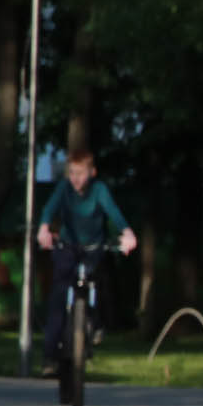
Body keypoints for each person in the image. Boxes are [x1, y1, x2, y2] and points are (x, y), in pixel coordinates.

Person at [35, 149, 137, 379]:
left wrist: (127, 233)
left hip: (93, 249)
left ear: (92, 172)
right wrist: (44, 229)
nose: (75, 178)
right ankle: (49, 358)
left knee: (100, 282)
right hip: (67, 248)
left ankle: (97, 324)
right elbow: (49, 209)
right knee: (58, 298)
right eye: (72, 173)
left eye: (80, 173)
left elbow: (113, 212)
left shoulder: (99, 190)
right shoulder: (64, 189)